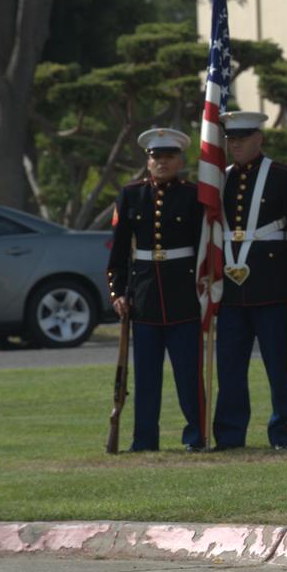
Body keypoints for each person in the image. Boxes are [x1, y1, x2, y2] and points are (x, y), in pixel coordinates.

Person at [107, 128, 205, 452]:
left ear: (180, 161)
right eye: (155, 157)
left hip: (184, 297)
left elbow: (206, 247)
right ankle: (144, 441)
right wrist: (118, 293)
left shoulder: (194, 196)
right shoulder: (131, 194)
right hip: (145, 298)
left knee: (188, 376)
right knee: (146, 378)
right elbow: (118, 254)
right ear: (148, 161)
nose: (161, 162)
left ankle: (196, 437)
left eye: (168, 157)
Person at [211, 110, 287, 450]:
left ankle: (282, 432)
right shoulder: (222, 178)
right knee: (230, 368)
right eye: (231, 138)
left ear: (259, 138)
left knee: (278, 367)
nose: (236, 144)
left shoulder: (280, 176)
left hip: (271, 285)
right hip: (231, 291)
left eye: (243, 138)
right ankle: (230, 435)